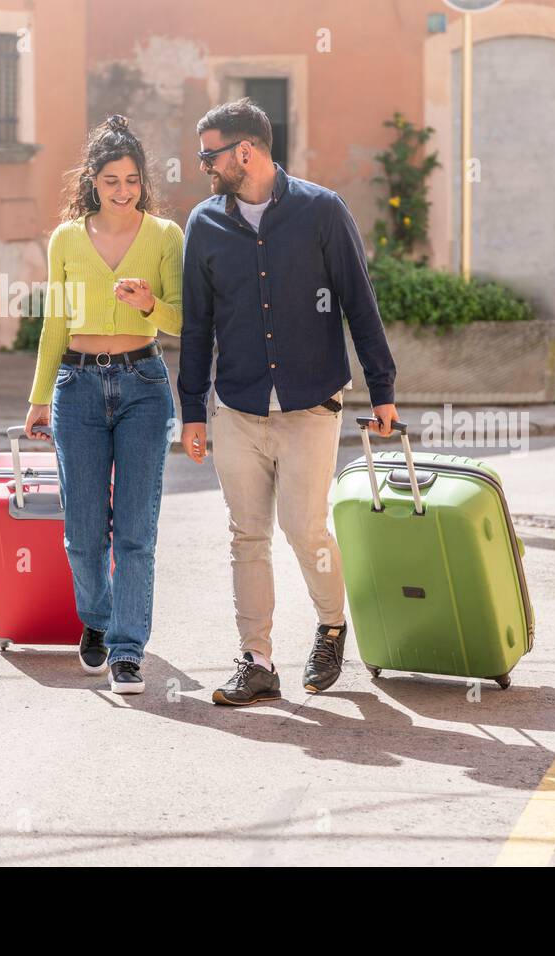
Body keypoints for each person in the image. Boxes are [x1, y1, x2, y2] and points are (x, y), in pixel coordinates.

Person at [177, 98, 398, 705]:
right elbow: (197, 324)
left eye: (209, 156)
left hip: (309, 404)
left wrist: (383, 391)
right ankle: (258, 660)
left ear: (244, 151)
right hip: (237, 406)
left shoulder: (321, 211)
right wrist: (191, 409)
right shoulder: (205, 223)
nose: (203, 167)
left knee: (305, 529)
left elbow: (359, 302)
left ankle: (330, 627)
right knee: (247, 536)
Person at [23, 114, 183, 695]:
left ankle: (127, 650)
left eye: (132, 180)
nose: (123, 191)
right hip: (79, 387)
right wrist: (40, 398)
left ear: (144, 181)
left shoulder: (166, 236)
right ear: (92, 181)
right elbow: (54, 326)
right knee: (83, 532)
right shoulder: (66, 240)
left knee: (136, 531)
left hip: (143, 383)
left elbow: (184, 319)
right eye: (111, 180)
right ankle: (96, 616)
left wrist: (148, 305)